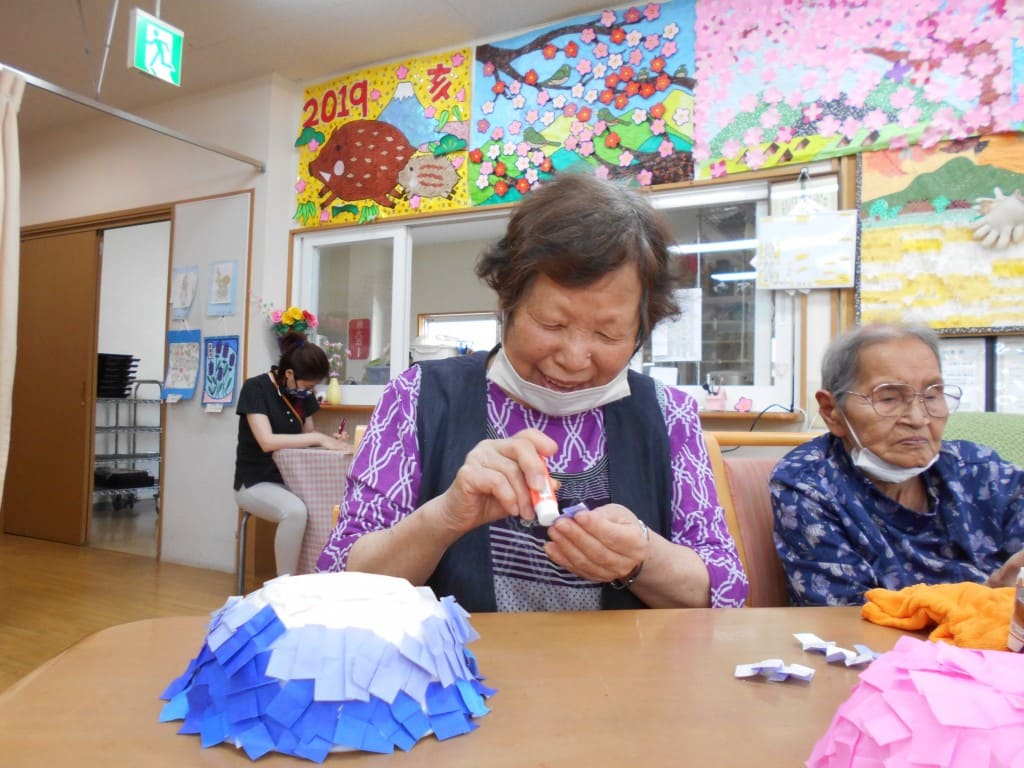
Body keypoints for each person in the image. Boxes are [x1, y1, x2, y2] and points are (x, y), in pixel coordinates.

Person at [317, 172, 748, 611]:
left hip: (627, 677)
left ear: (641, 328)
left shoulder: (669, 415)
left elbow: (725, 592)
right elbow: (338, 579)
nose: (575, 357)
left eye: (609, 333)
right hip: (456, 674)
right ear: (505, 304)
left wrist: (641, 557)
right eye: (552, 325)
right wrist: (444, 517)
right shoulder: (418, 396)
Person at [771, 323, 1024, 606]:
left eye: (931, 395)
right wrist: (985, 603)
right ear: (832, 411)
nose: (918, 418)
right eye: (889, 398)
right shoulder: (810, 483)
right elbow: (842, 619)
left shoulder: (980, 470)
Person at [234, 331, 347, 577]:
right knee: (295, 512)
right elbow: (266, 441)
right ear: (288, 374)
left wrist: (329, 440)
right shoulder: (256, 388)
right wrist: (319, 438)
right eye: (307, 386)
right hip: (255, 482)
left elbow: (305, 442)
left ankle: (315, 577)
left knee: (326, 509)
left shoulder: (302, 396)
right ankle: (284, 585)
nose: (310, 391)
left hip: (291, 481)